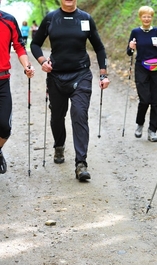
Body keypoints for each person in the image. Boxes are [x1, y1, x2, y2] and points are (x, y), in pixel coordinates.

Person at [30, 0, 110, 181]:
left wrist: (103, 74)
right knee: (57, 116)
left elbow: (99, 47)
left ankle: (81, 164)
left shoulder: (85, 19)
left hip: (81, 74)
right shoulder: (51, 19)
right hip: (56, 76)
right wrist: (43, 62)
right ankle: (59, 145)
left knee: (79, 114)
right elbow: (35, 44)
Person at [0, 5, 35, 174]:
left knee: (4, 126)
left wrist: (27, 65)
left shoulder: (8, 20)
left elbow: (19, 46)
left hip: (2, 81)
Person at [126, 6, 157, 142]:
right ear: (140, 17)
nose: (147, 19)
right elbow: (129, 52)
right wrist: (131, 48)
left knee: (155, 101)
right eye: (144, 16)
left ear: (152, 18)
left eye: (149, 16)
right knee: (145, 100)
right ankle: (140, 124)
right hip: (141, 68)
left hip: (156, 69)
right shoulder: (135, 32)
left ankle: (152, 131)